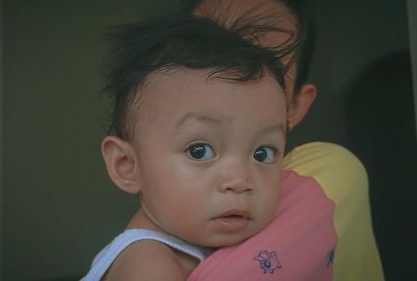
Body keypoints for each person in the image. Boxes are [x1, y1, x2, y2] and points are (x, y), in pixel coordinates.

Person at [82, 13, 300, 281]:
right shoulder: (149, 264)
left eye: (262, 153)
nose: (240, 180)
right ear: (127, 166)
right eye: (200, 151)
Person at [181, 0, 385, 280]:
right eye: (206, 57)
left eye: (261, 71)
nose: (226, 83)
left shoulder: (330, 172)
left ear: (295, 106)